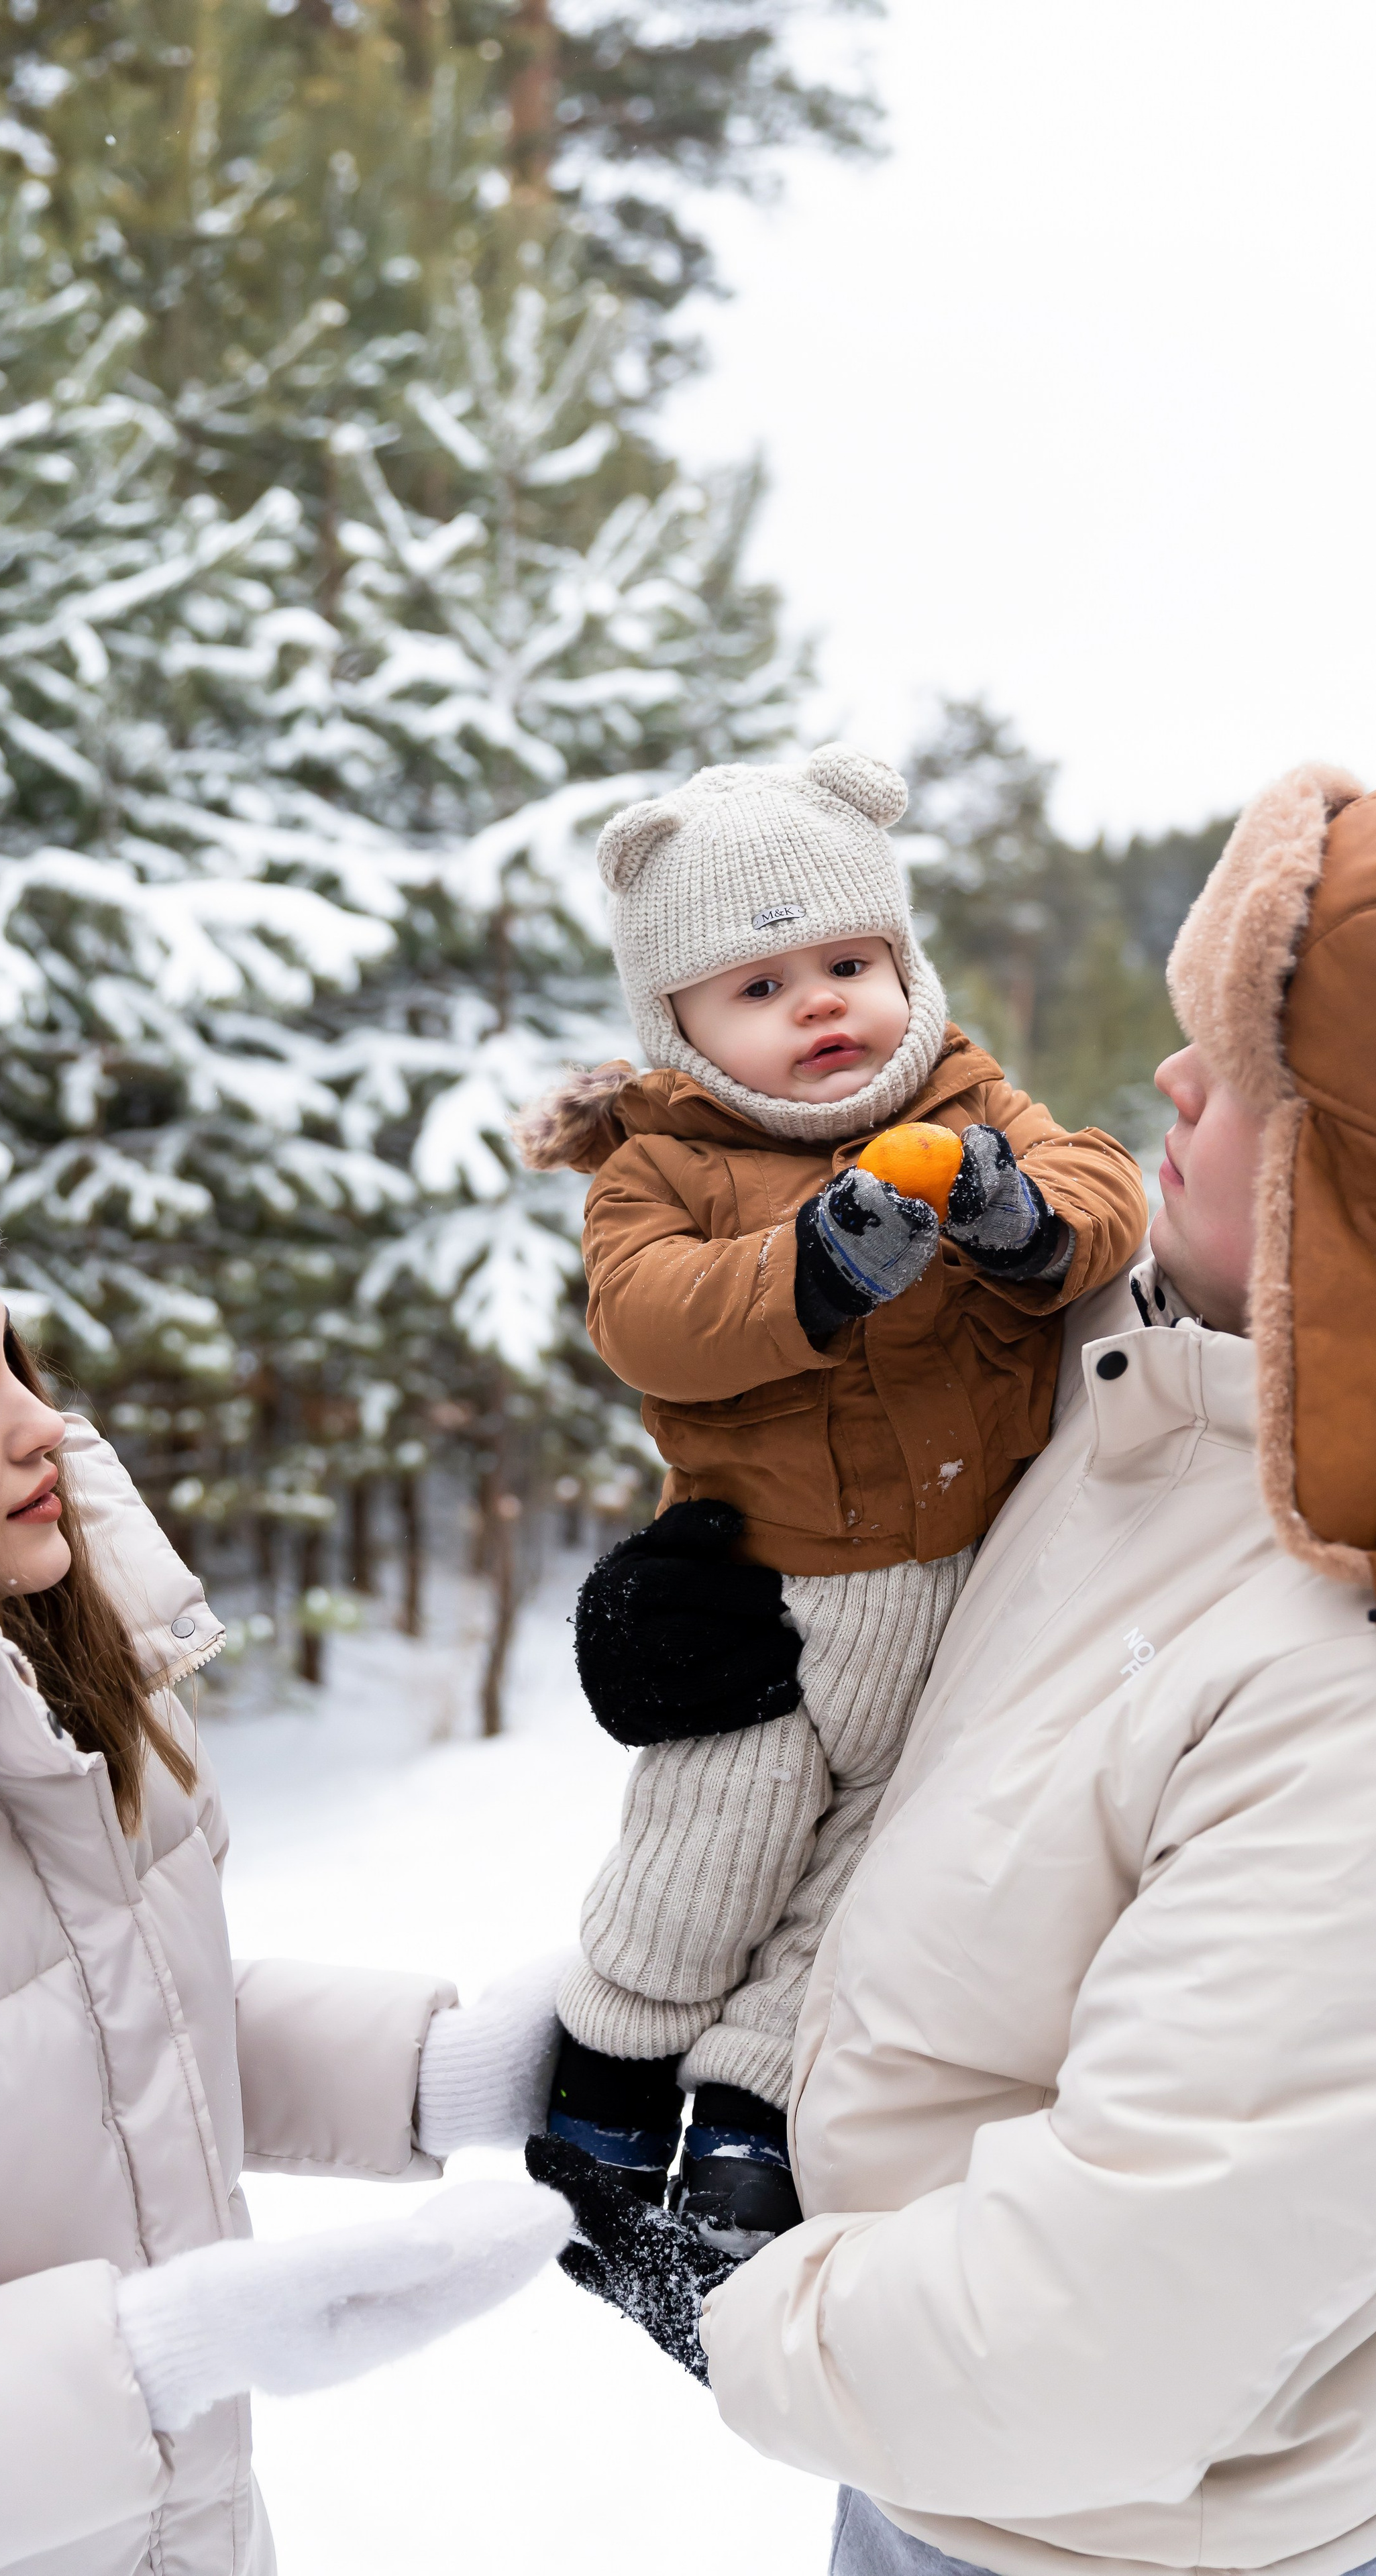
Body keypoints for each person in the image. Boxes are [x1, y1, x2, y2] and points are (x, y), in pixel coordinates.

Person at [533, 765, 1376, 2576]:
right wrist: (707, 1600)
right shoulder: (1166, 1371)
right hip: (937, 2468)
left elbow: (1105, 2332)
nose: (1170, 1084)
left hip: (1117, 2534)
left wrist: (749, 2310)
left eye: (1245, 1069)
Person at [0, 1160, 572, 2575]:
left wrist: (439, 2072)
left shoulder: (31, 1698)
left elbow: (87, 2030)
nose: (41, 1423)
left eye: (11, 1362)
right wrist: (147, 2364)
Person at [516, 744, 1148, 2243]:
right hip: (781, 1604)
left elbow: (1108, 1191)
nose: (819, 1002)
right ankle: (609, 2060)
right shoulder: (657, 1166)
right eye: (758, 984)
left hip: (964, 1603)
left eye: (849, 960)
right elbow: (645, 1316)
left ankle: (746, 2112)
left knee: (872, 1867)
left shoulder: (965, 1098)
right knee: (716, 1838)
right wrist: (808, 1269)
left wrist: (1019, 1217)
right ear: (672, 1019)